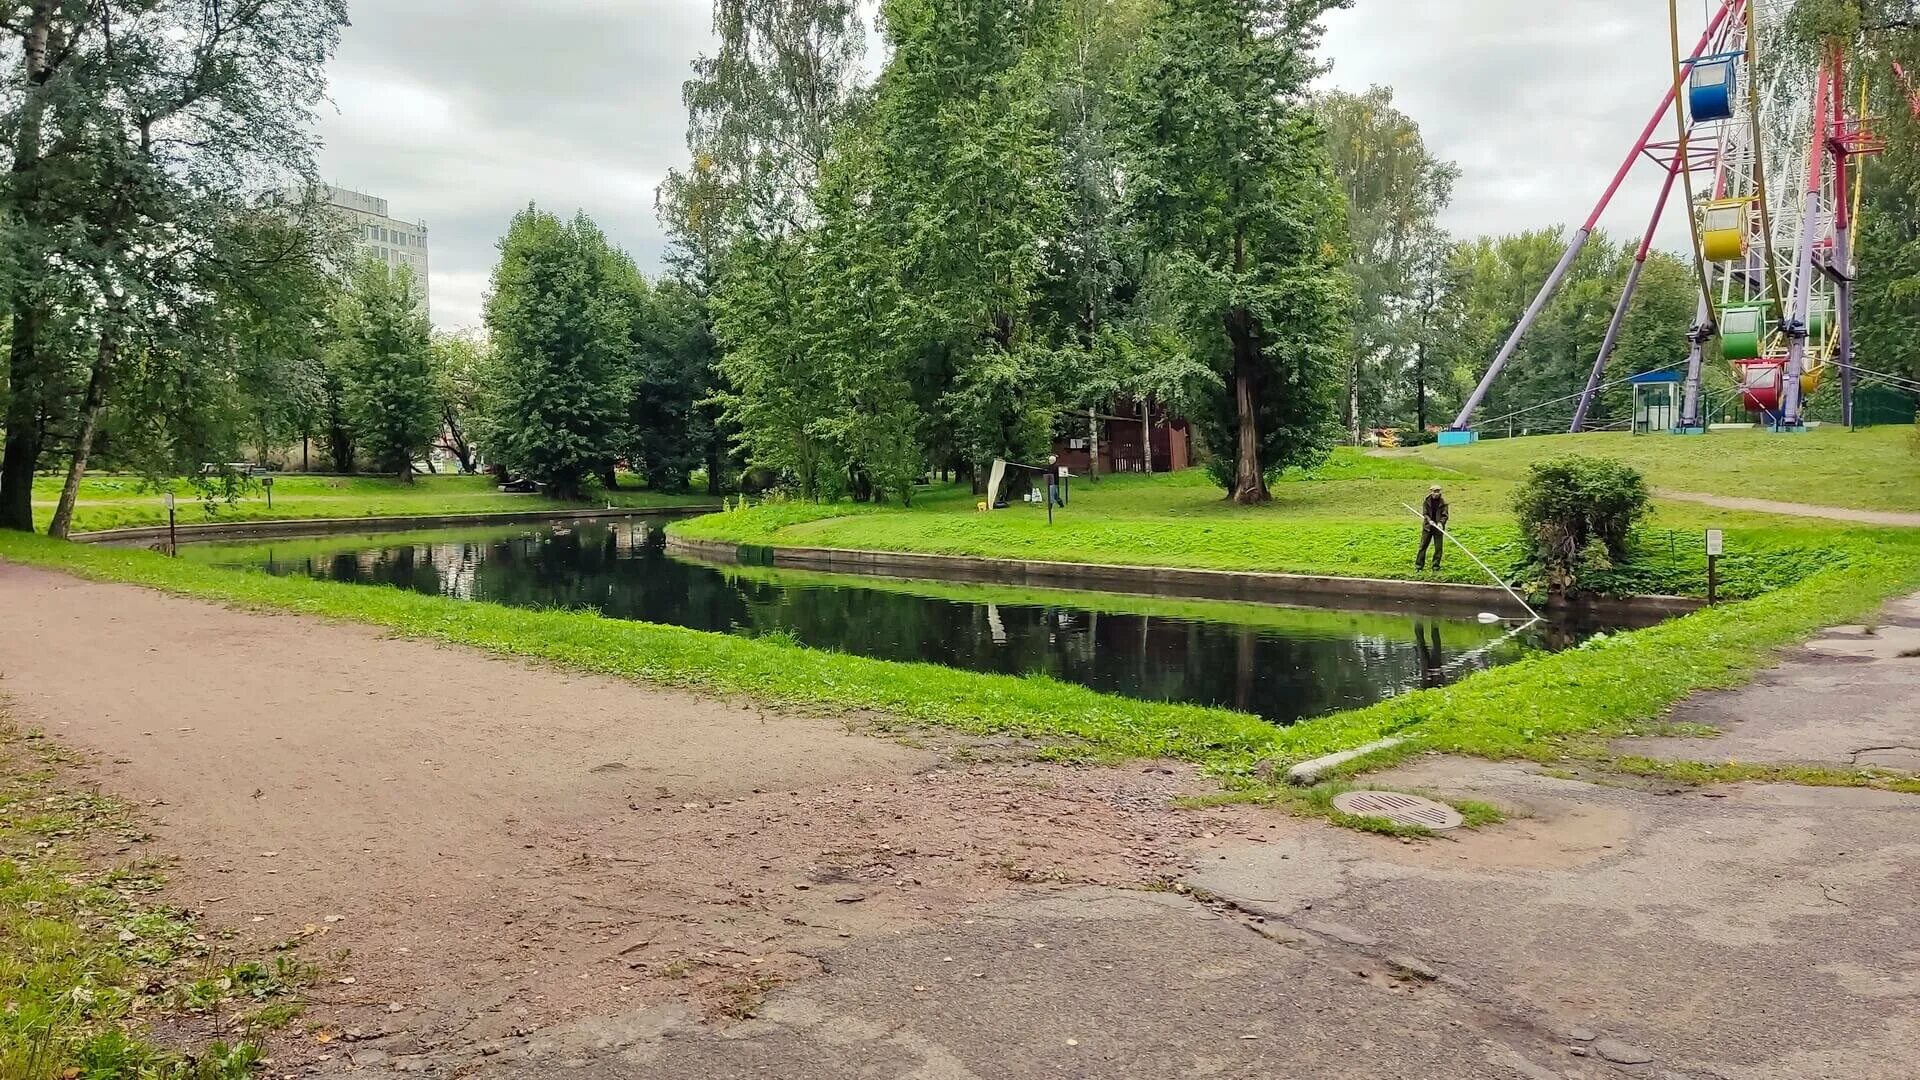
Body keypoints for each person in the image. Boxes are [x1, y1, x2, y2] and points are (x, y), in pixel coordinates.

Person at [1416, 484, 1448, 572]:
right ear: (1431, 492)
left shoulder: (1443, 503)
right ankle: (1419, 566)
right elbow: (1425, 514)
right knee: (1423, 547)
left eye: (1438, 491)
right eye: (1434, 491)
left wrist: (1441, 523)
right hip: (1427, 528)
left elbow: (1445, 515)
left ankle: (1435, 567)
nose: (1436, 493)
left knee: (1438, 548)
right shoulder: (1426, 501)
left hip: (1438, 528)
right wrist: (1430, 520)